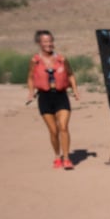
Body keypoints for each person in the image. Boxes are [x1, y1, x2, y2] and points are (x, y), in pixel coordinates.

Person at [26, 29, 81, 169]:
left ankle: (67, 158)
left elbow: (70, 74)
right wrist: (31, 92)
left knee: (63, 127)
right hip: (44, 97)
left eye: (50, 41)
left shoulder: (62, 59)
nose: (49, 44)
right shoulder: (34, 60)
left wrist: (75, 90)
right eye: (45, 41)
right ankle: (57, 156)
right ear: (39, 43)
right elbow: (31, 77)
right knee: (53, 131)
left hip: (61, 96)